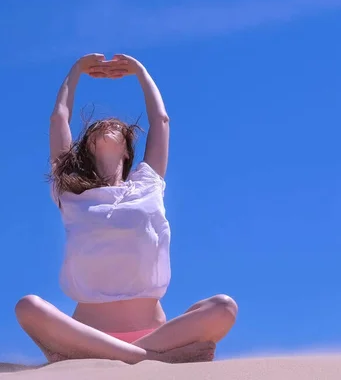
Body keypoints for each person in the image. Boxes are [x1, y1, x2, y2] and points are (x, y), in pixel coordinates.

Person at [15, 53, 238, 364]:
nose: (107, 124)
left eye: (115, 125)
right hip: (88, 335)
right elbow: (59, 119)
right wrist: (76, 71)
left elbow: (161, 120)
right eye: (98, 126)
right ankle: (143, 359)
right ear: (85, 147)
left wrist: (141, 72)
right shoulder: (71, 191)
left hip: (159, 335)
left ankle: (130, 355)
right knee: (28, 307)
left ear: (128, 148)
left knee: (224, 307)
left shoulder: (148, 184)